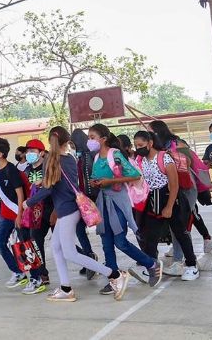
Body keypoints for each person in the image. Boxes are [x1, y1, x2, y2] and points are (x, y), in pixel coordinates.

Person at [23, 127, 131, 302]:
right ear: (68, 142)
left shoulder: (51, 160)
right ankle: (66, 288)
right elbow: (60, 185)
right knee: (56, 247)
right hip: (71, 208)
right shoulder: (70, 159)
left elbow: (48, 188)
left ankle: (115, 274)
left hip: (66, 211)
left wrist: (29, 202)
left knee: (69, 253)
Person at [87, 124, 158, 296]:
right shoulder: (96, 157)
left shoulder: (115, 154)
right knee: (106, 242)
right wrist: (95, 183)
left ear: (103, 139)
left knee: (120, 241)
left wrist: (109, 182)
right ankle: (114, 277)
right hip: (103, 202)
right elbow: (100, 178)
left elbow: (135, 175)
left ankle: (151, 264)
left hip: (117, 202)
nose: (89, 141)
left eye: (92, 137)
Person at [133, 131, 197, 282]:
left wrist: (169, 207)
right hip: (152, 200)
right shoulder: (140, 159)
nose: (138, 148)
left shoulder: (164, 157)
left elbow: (174, 185)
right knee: (150, 236)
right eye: (136, 145)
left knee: (180, 233)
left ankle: (191, 265)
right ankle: (152, 267)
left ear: (150, 143)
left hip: (170, 199)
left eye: (141, 145)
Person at [149, 121, 212, 273]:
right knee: (176, 226)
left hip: (185, 188)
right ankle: (184, 259)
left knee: (181, 225)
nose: (148, 133)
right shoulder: (155, 148)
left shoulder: (176, 143)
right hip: (168, 190)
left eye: (150, 130)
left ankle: (182, 261)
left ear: (158, 131)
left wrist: (171, 157)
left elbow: (188, 163)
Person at [0, 138, 30, 291]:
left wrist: (19, 214)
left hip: (16, 212)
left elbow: (20, 193)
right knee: (0, 243)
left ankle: (36, 277)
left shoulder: (11, 170)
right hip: (5, 213)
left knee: (24, 246)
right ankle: (18, 272)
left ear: (0, 154)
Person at [21, 139, 51, 290]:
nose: (29, 154)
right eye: (28, 151)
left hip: (51, 209)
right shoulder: (26, 171)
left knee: (65, 244)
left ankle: (87, 256)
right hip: (34, 213)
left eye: (33, 151)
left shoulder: (47, 168)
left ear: (42, 153)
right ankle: (42, 273)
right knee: (35, 242)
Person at [71, 128, 99, 279]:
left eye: (75, 144)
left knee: (103, 230)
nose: (74, 147)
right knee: (79, 229)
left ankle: (94, 260)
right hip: (82, 198)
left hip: (93, 196)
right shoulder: (79, 157)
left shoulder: (91, 155)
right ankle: (88, 257)